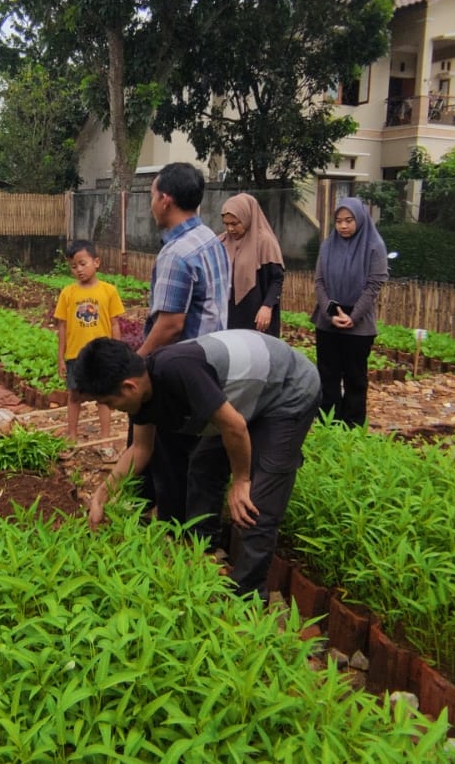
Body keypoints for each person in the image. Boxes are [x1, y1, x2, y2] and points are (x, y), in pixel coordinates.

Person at [73, 332, 320, 598]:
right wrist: (102, 495)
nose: (111, 409)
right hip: (243, 397)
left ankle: (248, 597)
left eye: (109, 403)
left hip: (288, 388)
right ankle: (205, 551)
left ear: (129, 387)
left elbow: (235, 426)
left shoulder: (178, 370)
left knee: (256, 503)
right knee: (203, 467)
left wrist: (241, 480)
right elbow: (141, 449)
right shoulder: (143, 391)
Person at [137, 162, 232, 522]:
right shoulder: (210, 238)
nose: (151, 204)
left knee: (171, 458)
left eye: (152, 196)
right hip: (212, 359)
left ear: (165, 199)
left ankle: (173, 528)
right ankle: (196, 527)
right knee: (197, 456)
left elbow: (170, 326)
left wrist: (139, 361)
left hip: (181, 368)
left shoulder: (177, 253)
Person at [313, 197, 388, 427]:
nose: (343, 226)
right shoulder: (328, 245)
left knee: (355, 377)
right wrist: (330, 313)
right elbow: (319, 282)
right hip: (328, 319)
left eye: (349, 220)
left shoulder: (374, 246)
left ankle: (353, 426)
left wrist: (353, 316)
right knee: (328, 375)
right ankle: (328, 423)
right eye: (338, 221)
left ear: (360, 220)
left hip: (359, 322)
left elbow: (374, 285)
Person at [53, 239, 125, 441]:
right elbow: (62, 326)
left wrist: (117, 353)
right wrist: (61, 357)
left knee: (103, 397)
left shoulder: (109, 291)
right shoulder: (68, 293)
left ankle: (105, 438)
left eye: (82, 264)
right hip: (75, 355)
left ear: (96, 262)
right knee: (74, 395)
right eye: (73, 266)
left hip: (101, 356)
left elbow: (115, 324)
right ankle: (72, 435)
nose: (79, 270)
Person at [219, 193, 285, 336]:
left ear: (247, 218)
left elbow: (276, 279)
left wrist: (267, 306)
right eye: (226, 224)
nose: (230, 229)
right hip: (229, 315)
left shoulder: (264, 242)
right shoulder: (222, 242)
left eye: (235, 224)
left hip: (257, 316)